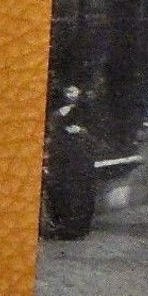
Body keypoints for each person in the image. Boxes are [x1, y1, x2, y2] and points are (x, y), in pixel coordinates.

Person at [41, 84, 98, 241]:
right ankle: (64, 226)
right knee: (65, 191)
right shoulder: (57, 113)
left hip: (81, 158)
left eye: (74, 90)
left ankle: (79, 227)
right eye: (68, 91)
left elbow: (96, 135)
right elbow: (53, 132)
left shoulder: (87, 111)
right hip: (64, 158)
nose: (71, 94)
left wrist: (81, 132)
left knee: (80, 191)